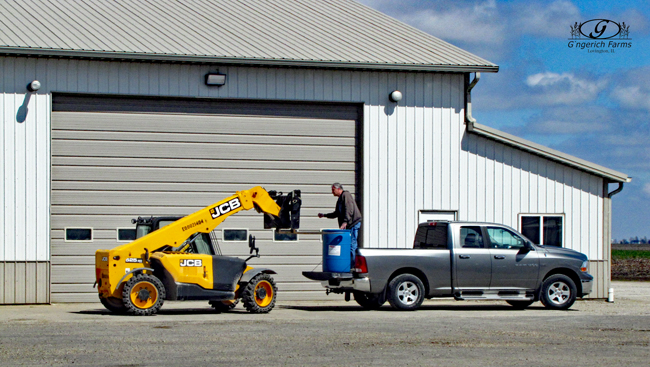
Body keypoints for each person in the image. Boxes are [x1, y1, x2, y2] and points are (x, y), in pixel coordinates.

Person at [318, 182, 362, 264]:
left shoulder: (346, 195)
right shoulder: (340, 200)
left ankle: (352, 265)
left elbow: (349, 209)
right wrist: (324, 215)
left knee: (352, 245)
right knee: (348, 245)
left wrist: (345, 222)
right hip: (349, 224)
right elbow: (336, 213)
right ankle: (349, 263)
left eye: (333, 190)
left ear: (338, 189)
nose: (332, 192)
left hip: (353, 223)